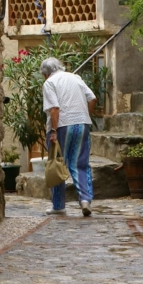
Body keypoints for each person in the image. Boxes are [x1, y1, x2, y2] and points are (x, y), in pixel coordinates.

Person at [41, 56, 96, 216]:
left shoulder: (49, 83)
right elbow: (92, 98)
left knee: (57, 163)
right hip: (82, 124)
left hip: (62, 126)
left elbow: (54, 109)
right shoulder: (76, 78)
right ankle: (85, 200)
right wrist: (86, 117)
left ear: (45, 73)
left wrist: (54, 131)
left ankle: (58, 206)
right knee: (80, 164)